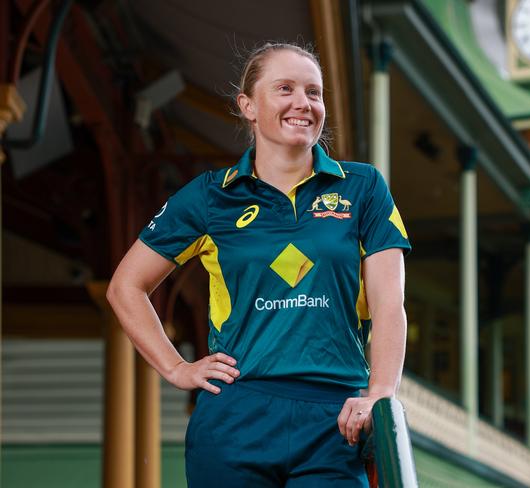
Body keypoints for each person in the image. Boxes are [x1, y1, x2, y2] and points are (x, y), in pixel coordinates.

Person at [106, 42, 411, 487]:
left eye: (314, 92)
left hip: (336, 420)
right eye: (284, 89)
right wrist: (177, 368)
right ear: (247, 106)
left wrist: (380, 395)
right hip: (236, 417)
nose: (302, 104)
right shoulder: (210, 196)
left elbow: (390, 304)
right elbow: (125, 287)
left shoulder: (363, 187)